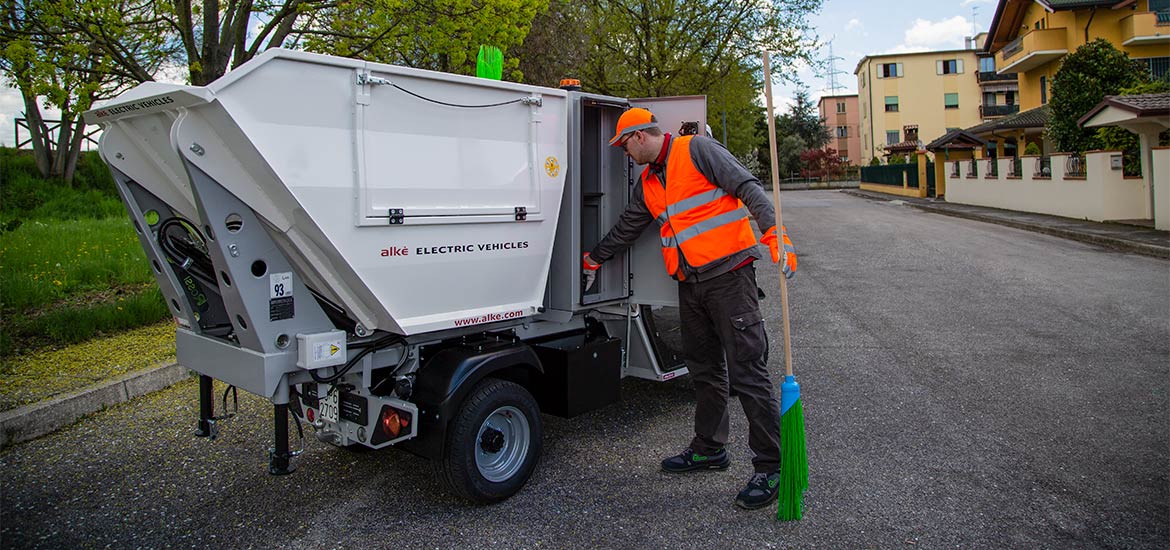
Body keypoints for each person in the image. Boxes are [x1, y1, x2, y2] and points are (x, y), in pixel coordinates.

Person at [582, 108, 797, 510]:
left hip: (730, 276)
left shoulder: (697, 149)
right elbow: (629, 226)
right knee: (704, 369)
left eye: (625, 145)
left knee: (748, 372)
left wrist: (776, 235)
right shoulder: (649, 183)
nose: (625, 154)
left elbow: (748, 187)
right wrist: (594, 258)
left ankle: (772, 467)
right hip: (691, 282)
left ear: (640, 136)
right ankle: (709, 448)